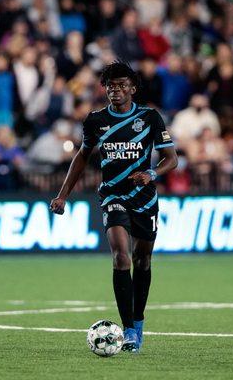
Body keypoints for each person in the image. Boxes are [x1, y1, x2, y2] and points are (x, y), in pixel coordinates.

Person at [49, 61, 178, 352]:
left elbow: (171, 158)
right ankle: (129, 329)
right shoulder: (95, 121)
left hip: (144, 198)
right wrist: (62, 195)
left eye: (121, 85)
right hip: (112, 196)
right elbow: (82, 157)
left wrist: (152, 174)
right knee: (122, 257)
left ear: (132, 88)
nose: (115, 90)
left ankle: (139, 322)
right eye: (110, 86)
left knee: (142, 259)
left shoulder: (149, 118)